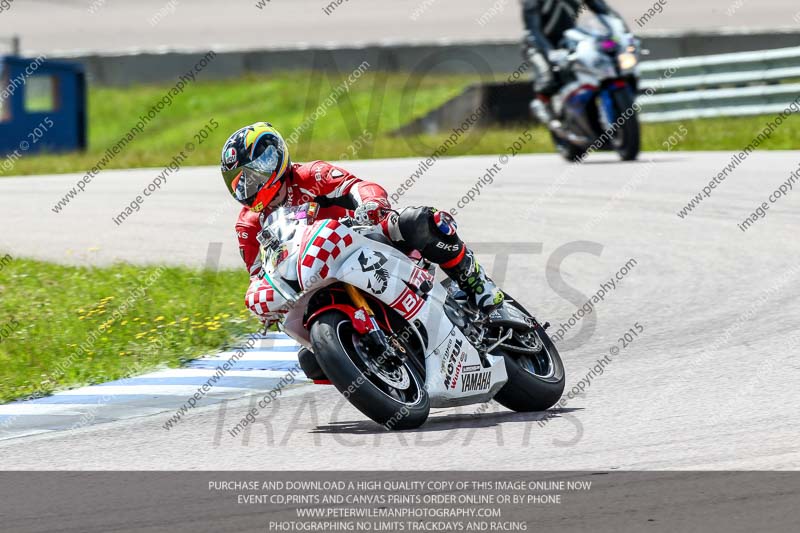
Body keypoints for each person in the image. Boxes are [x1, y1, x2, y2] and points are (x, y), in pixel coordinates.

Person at [220, 122, 504, 377]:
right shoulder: (248, 225)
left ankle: (478, 285)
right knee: (313, 360)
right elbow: (259, 272)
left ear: (273, 159)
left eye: (252, 175)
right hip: (313, 276)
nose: (248, 186)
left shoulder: (311, 175)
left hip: (360, 237)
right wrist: (267, 305)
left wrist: (370, 203)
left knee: (417, 221)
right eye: (240, 182)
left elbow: (357, 186)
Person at [522, 0, 624, 126]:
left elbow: (604, 11)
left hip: (567, 41)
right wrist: (549, 52)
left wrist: (621, 32)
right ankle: (544, 105)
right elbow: (533, 31)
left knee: (592, 65)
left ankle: (584, 110)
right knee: (547, 75)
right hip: (538, 46)